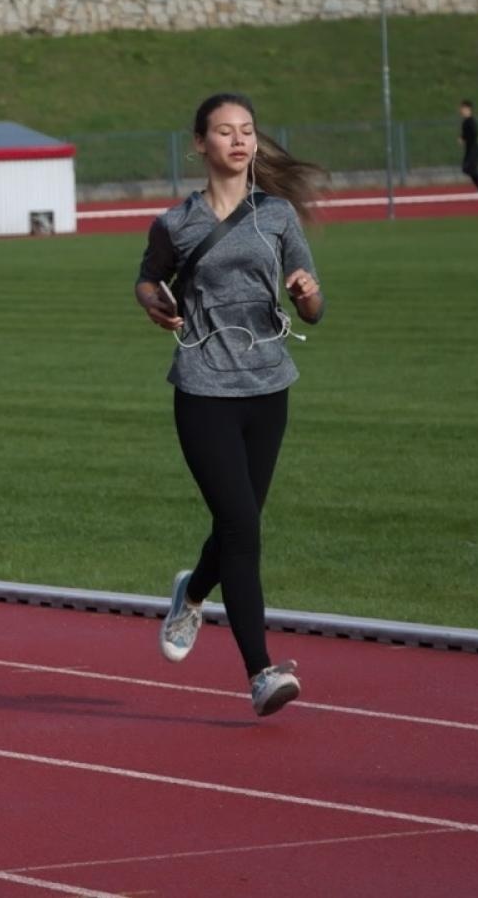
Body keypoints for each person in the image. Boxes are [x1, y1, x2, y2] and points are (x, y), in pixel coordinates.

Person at [134, 93, 326, 718]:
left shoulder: (276, 216)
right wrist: (151, 300)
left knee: (238, 523)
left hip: (269, 385)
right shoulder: (177, 222)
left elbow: (314, 308)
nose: (239, 140)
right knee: (243, 526)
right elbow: (147, 277)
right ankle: (260, 671)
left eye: (247, 130)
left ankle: (192, 592)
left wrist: (305, 294)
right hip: (203, 386)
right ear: (200, 144)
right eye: (224, 131)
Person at [459, 99, 478, 192]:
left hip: (474, 149)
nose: (460, 110)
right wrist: (462, 138)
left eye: (462, 108)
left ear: (468, 109)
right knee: (467, 169)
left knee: (469, 169)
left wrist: (464, 139)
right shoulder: (465, 122)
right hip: (469, 149)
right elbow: (465, 134)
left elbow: (474, 133)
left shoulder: (471, 121)